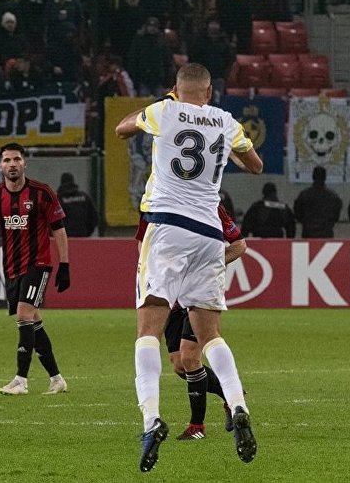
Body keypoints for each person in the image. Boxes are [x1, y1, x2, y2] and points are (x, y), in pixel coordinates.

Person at [115, 63, 263, 472]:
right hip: (210, 234)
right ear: (210, 90)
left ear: (177, 89)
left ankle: (151, 420)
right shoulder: (225, 120)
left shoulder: (164, 111)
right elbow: (256, 165)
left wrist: (164, 105)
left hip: (167, 228)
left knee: (148, 330)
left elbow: (122, 128)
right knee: (210, 335)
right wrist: (224, 145)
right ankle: (237, 405)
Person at [136, 203, 246, 440]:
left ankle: (197, 426)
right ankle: (229, 395)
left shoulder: (209, 204)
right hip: (169, 298)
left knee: (190, 357)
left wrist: (209, 266)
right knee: (178, 364)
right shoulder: (152, 203)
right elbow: (143, 244)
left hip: (197, 295)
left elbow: (239, 244)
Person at [0, 143, 72, 396]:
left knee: (23, 315)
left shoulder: (42, 192)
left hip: (38, 264)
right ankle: (56, 378)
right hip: (12, 268)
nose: (12, 164)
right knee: (34, 323)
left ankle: (21, 379)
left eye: (17, 159)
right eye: (7, 160)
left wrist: (64, 264)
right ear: (0, 166)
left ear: (24, 163)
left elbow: (59, 230)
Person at [293, 166, 342, 238]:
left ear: (313, 176)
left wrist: (306, 222)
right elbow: (336, 216)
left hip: (308, 232)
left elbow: (297, 213)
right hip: (326, 233)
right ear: (325, 177)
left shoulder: (304, 195)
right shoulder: (333, 196)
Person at [57, 172, 99, 237]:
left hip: (65, 239)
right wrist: (87, 232)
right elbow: (95, 217)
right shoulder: (85, 197)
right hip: (82, 237)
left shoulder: (58, 199)